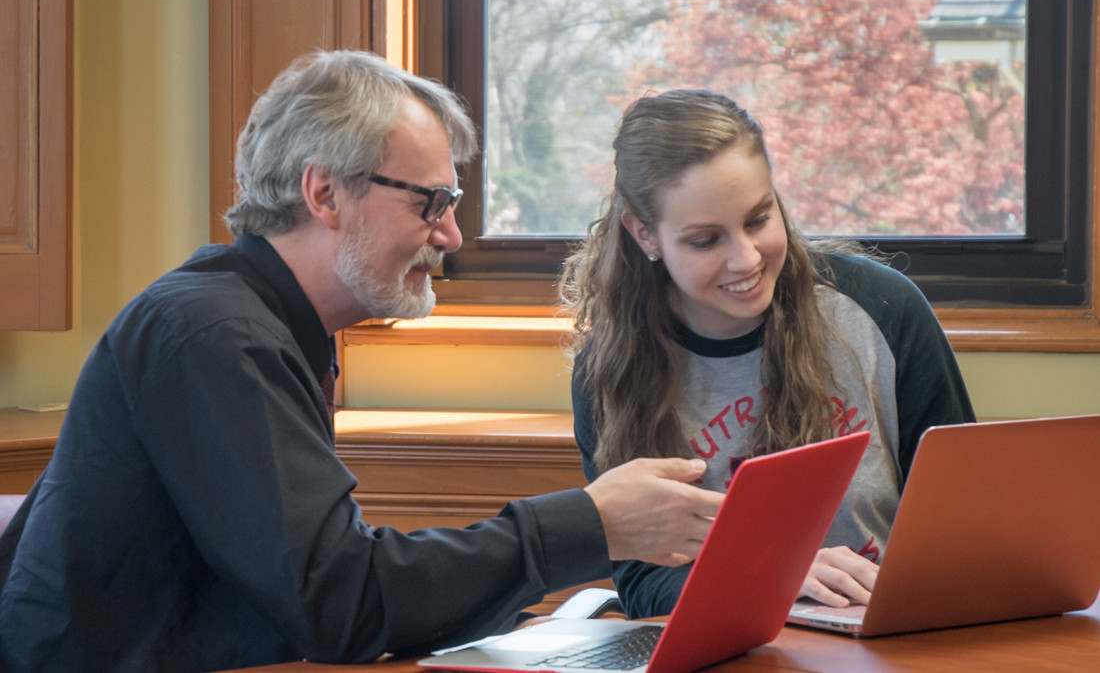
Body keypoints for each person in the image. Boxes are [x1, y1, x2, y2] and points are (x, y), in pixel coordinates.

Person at [0, 51, 726, 672]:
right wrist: (590, 523)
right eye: (431, 202)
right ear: (323, 193)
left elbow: (312, 588)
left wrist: (487, 622)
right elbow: (337, 601)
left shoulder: (257, 322)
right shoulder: (213, 333)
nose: (451, 234)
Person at [559, 89, 975, 619]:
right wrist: (771, 575)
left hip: (889, 633)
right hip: (732, 644)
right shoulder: (608, 369)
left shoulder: (884, 309)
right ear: (645, 234)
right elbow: (643, 583)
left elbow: (962, 519)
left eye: (759, 218)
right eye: (706, 240)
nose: (746, 259)